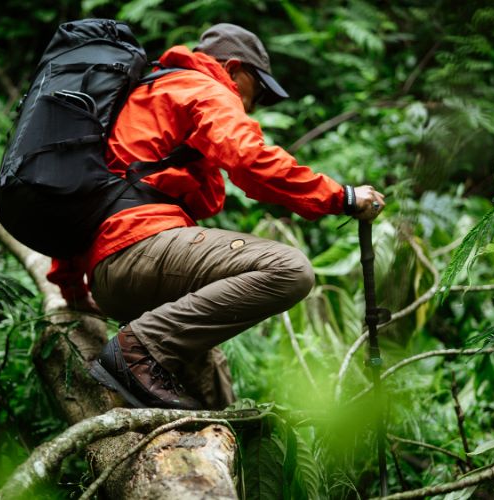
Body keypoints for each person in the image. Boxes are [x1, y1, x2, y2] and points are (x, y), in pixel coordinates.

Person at [47, 23, 385, 410]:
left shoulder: (138, 98)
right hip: (140, 251)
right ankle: (137, 349)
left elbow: (77, 190)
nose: (252, 106)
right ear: (234, 68)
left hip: (110, 277)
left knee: (210, 380)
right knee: (290, 270)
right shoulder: (203, 86)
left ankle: (222, 440)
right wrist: (340, 196)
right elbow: (249, 160)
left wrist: (72, 288)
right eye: (255, 91)